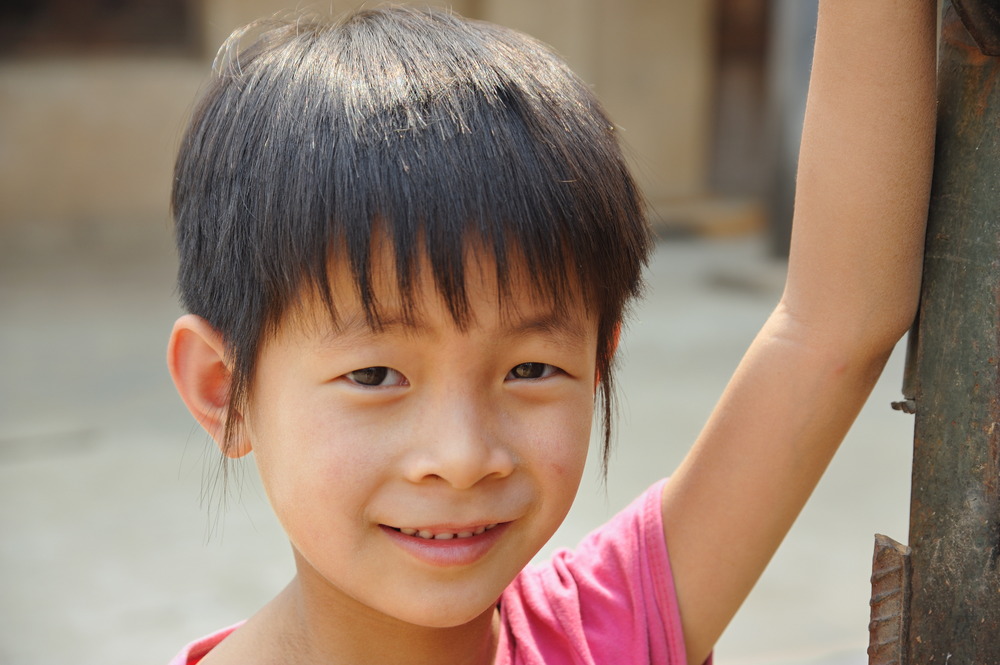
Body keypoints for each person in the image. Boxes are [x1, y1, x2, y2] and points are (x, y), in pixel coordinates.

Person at [165, 3, 937, 664]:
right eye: (375, 376)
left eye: (530, 368)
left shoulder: (606, 628)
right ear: (223, 389)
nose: (464, 458)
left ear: (597, 365)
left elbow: (837, 321)